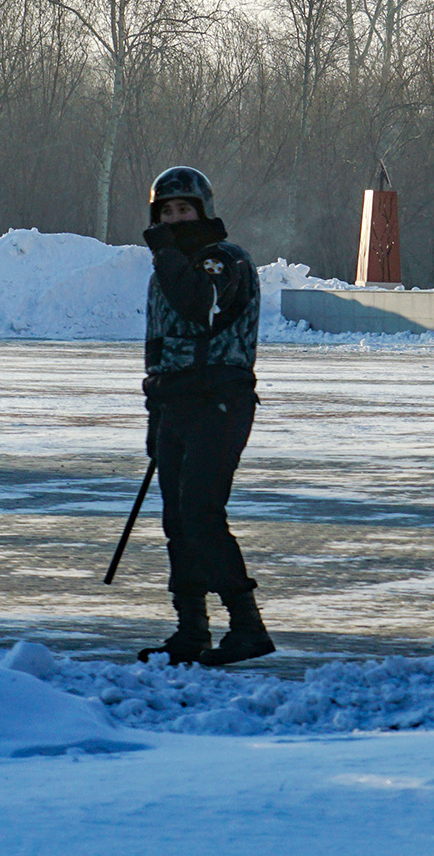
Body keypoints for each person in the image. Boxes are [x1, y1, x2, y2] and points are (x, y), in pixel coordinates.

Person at [137, 166, 274, 667]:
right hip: (175, 406)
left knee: (201, 513)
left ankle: (247, 624)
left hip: (219, 404)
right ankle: (190, 627)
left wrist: (167, 253)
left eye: (183, 210)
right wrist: (154, 411)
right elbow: (158, 347)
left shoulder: (224, 261)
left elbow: (200, 307)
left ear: (204, 210)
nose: (175, 219)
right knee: (177, 520)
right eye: (166, 212)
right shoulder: (164, 271)